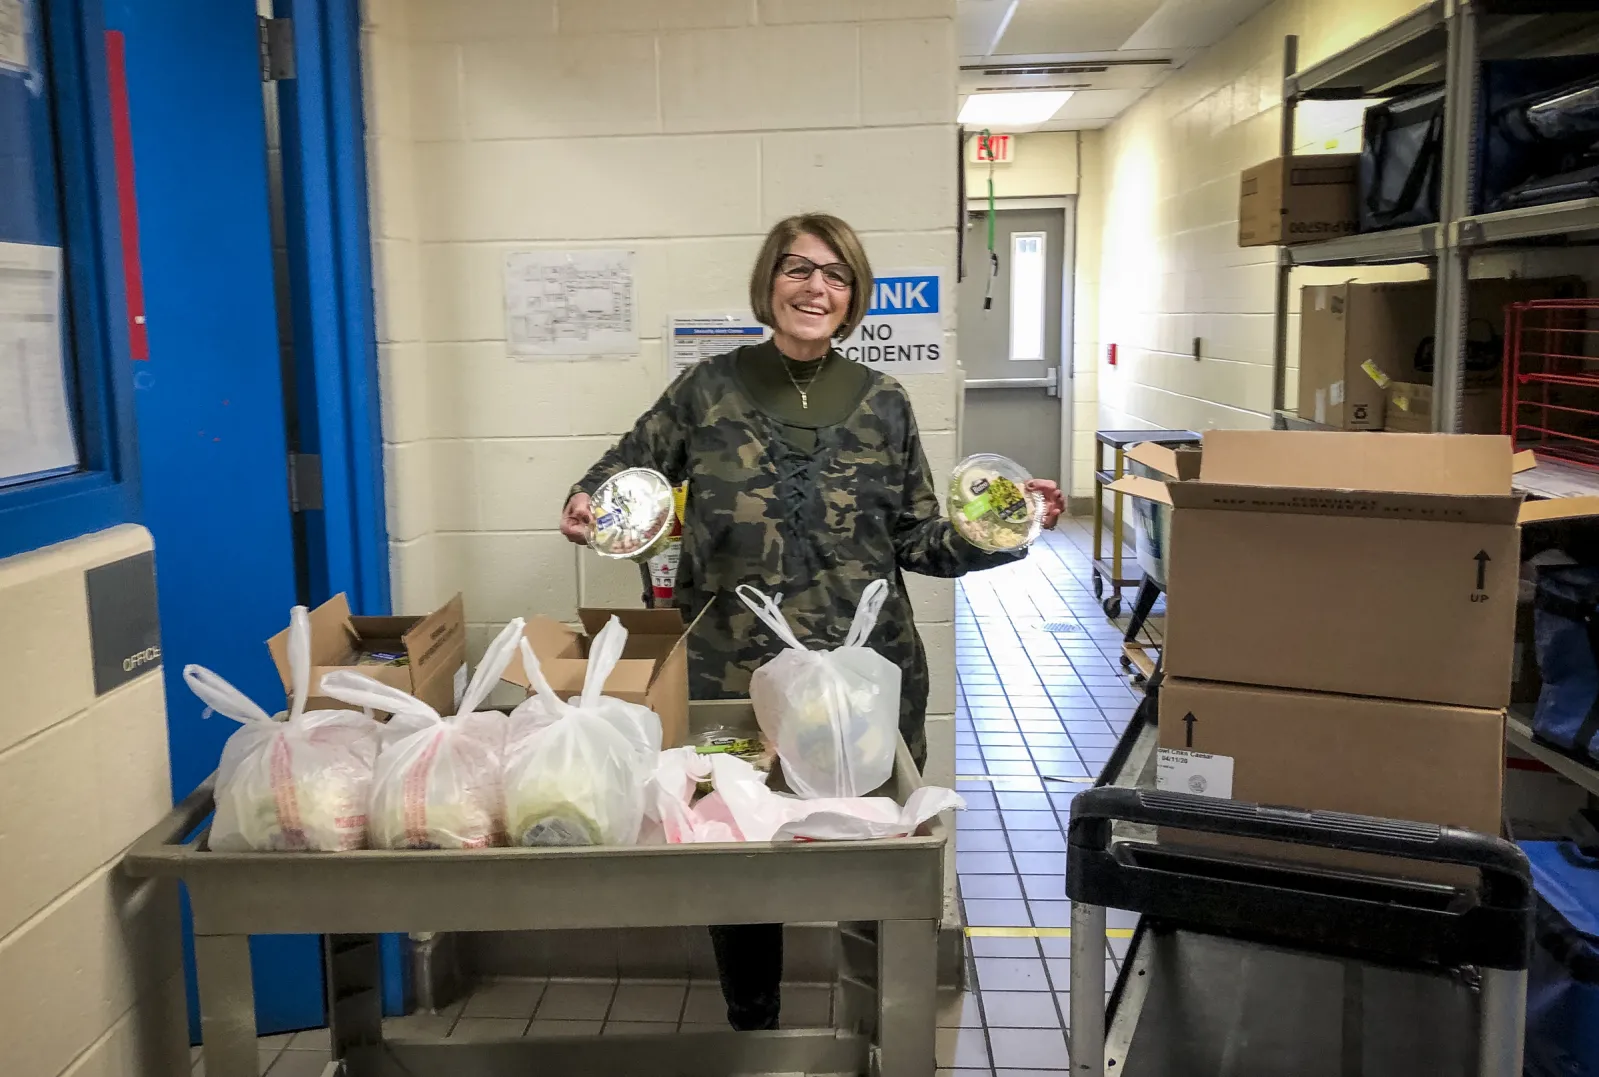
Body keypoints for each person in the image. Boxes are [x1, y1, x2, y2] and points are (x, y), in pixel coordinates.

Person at [560, 212, 1065, 1031]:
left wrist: (996, 530)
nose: (814, 287)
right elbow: (624, 471)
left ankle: (873, 1024)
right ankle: (751, 1025)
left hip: (863, 678)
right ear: (769, 283)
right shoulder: (706, 389)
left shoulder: (885, 403)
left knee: (868, 853)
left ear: (852, 295)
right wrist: (591, 502)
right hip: (733, 675)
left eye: (834, 275)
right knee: (737, 854)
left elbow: (918, 539)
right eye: (797, 269)